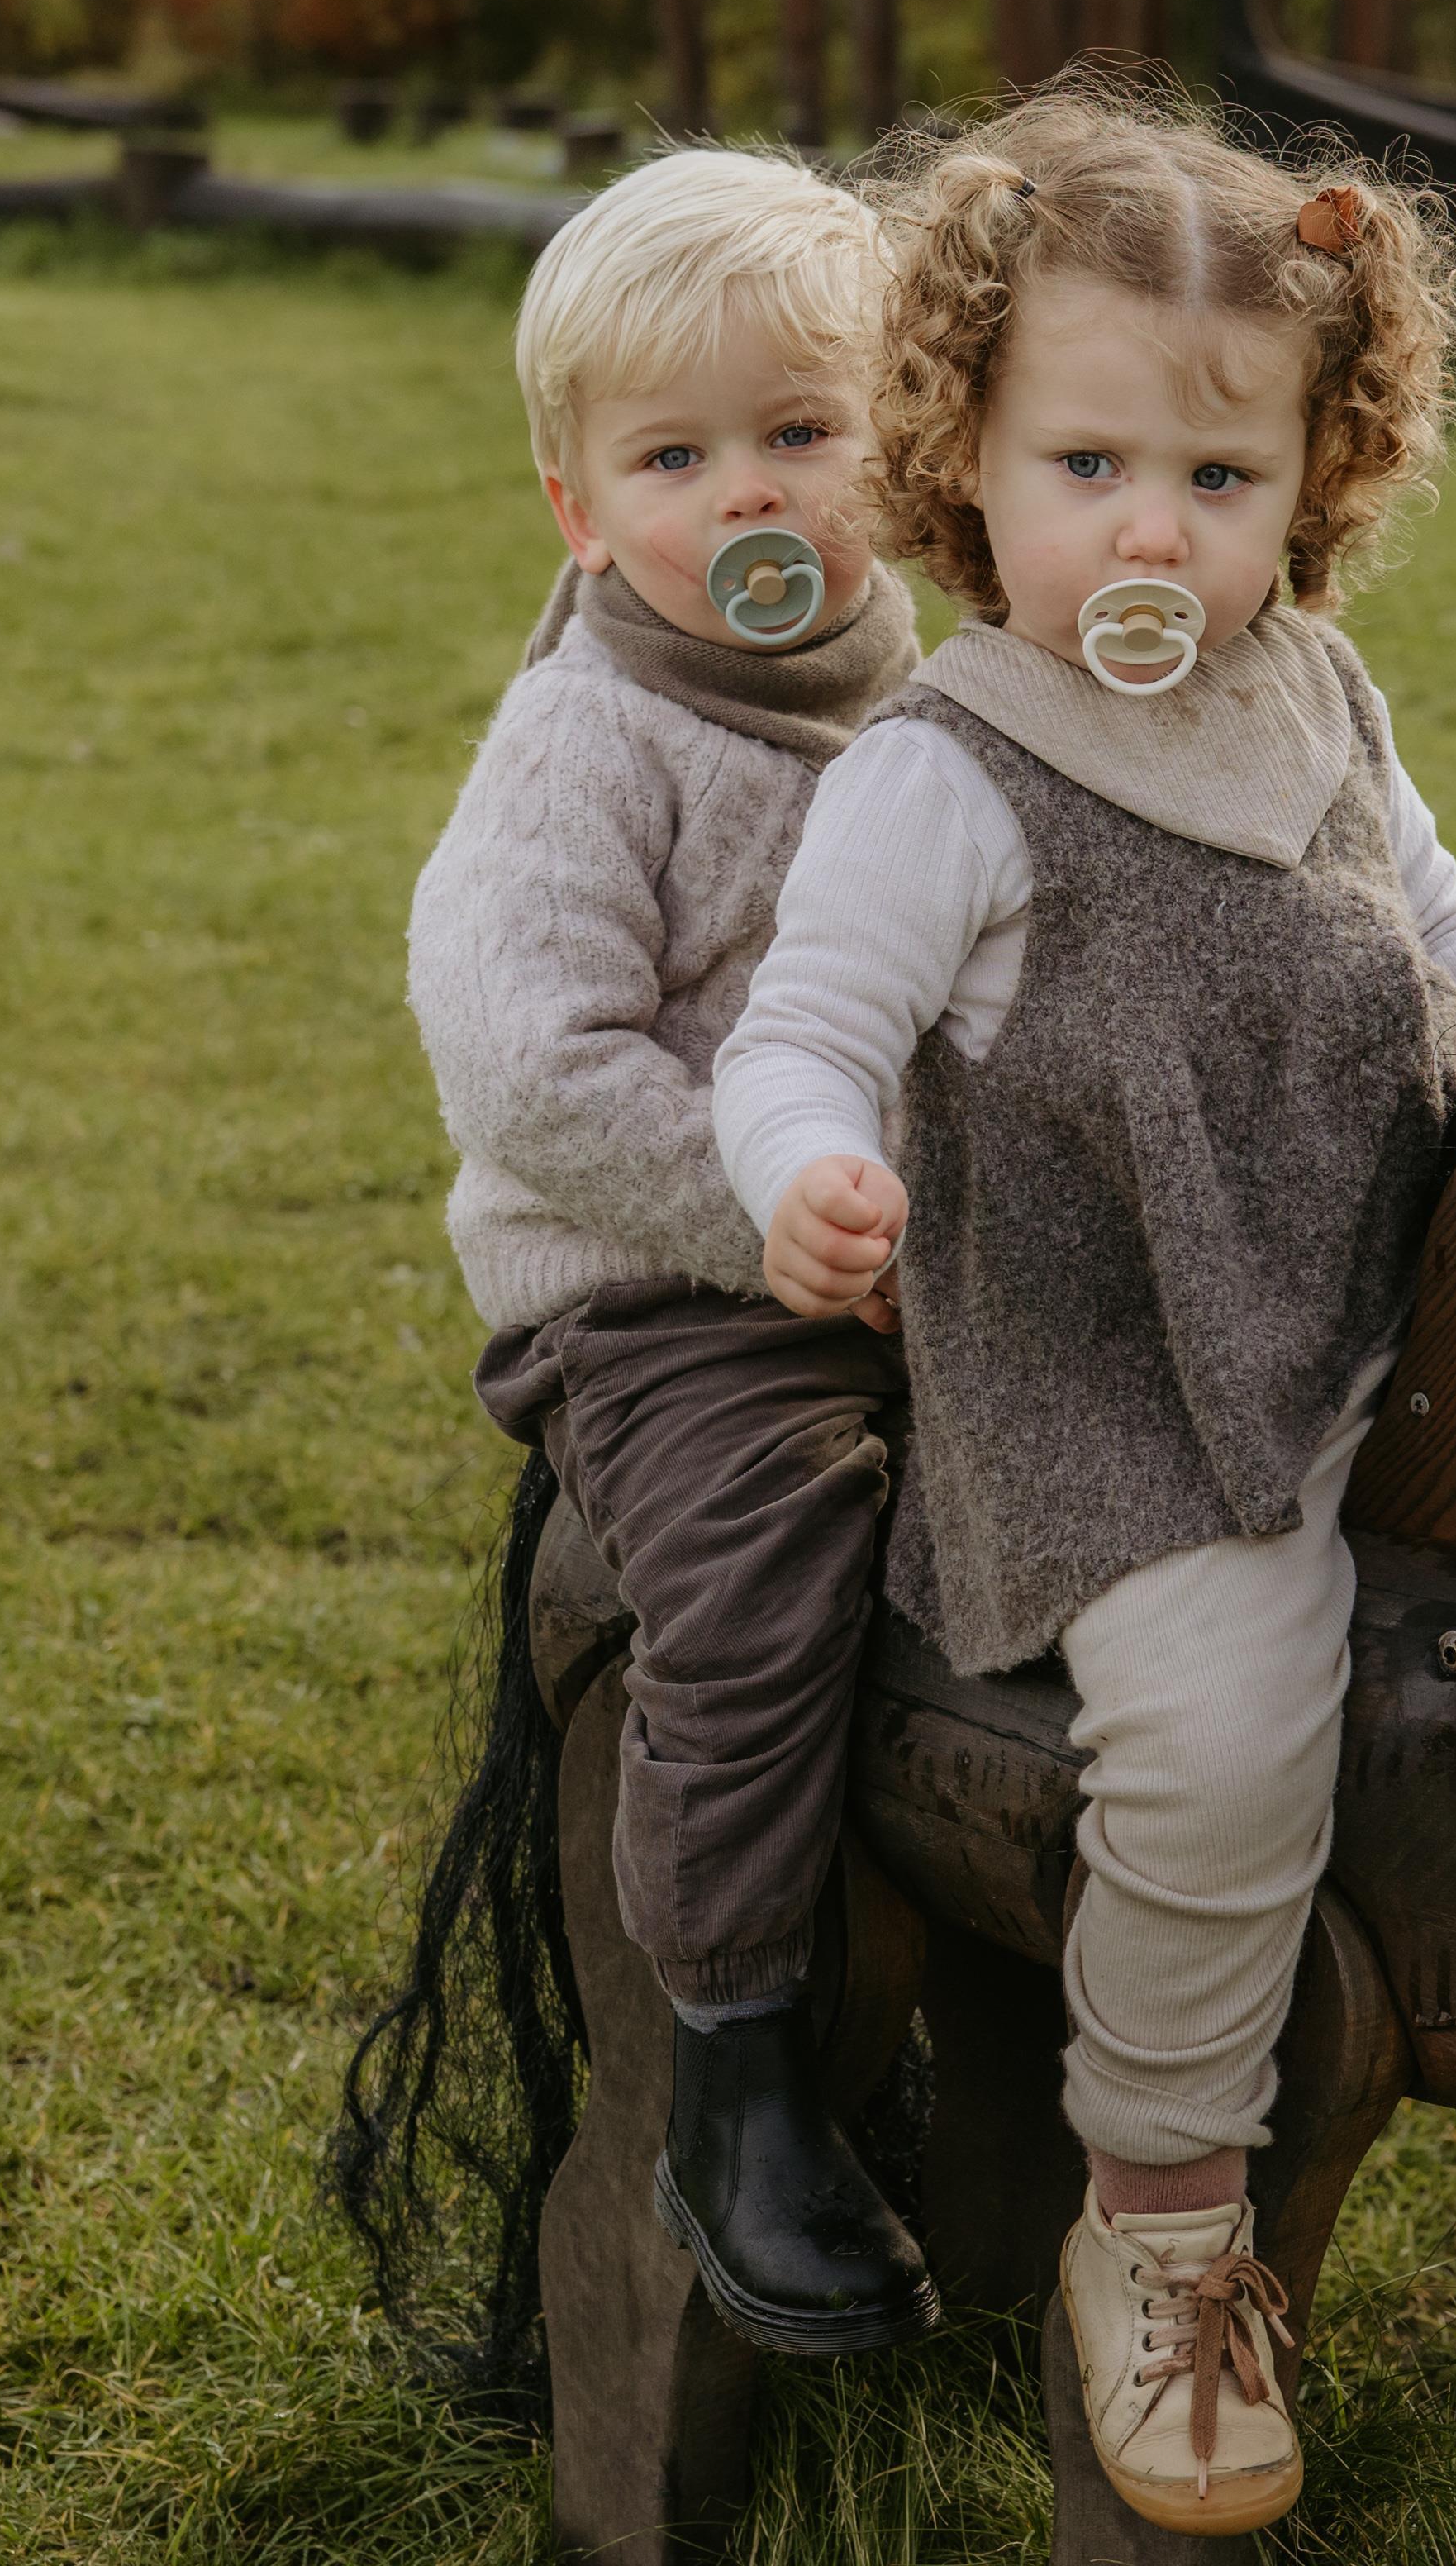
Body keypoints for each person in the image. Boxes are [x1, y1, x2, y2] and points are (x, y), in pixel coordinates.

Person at [712, 87, 1456, 2537]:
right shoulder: (948, 775)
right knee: (1231, 1726)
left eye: (1223, 482)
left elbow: (1449, 936)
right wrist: (811, 1171)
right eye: (1086, 469)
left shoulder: (1318, 699)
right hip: (1123, 1407)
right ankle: (1156, 2232)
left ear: (1321, 474)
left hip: (1370, 1321)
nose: (1152, 534)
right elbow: (801, 1027)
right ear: (965, 457)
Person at [406, 144, 939, 2357]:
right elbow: (532, 1065)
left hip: (926, 1260)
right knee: (771, 1553)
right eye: (679, 456)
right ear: (581, 508)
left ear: (903, 449)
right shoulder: (592, 741)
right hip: (662, 1299)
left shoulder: (943, 698)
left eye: (807, 437)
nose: (758, 501)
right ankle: (732, 2061)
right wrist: (762, 1217)